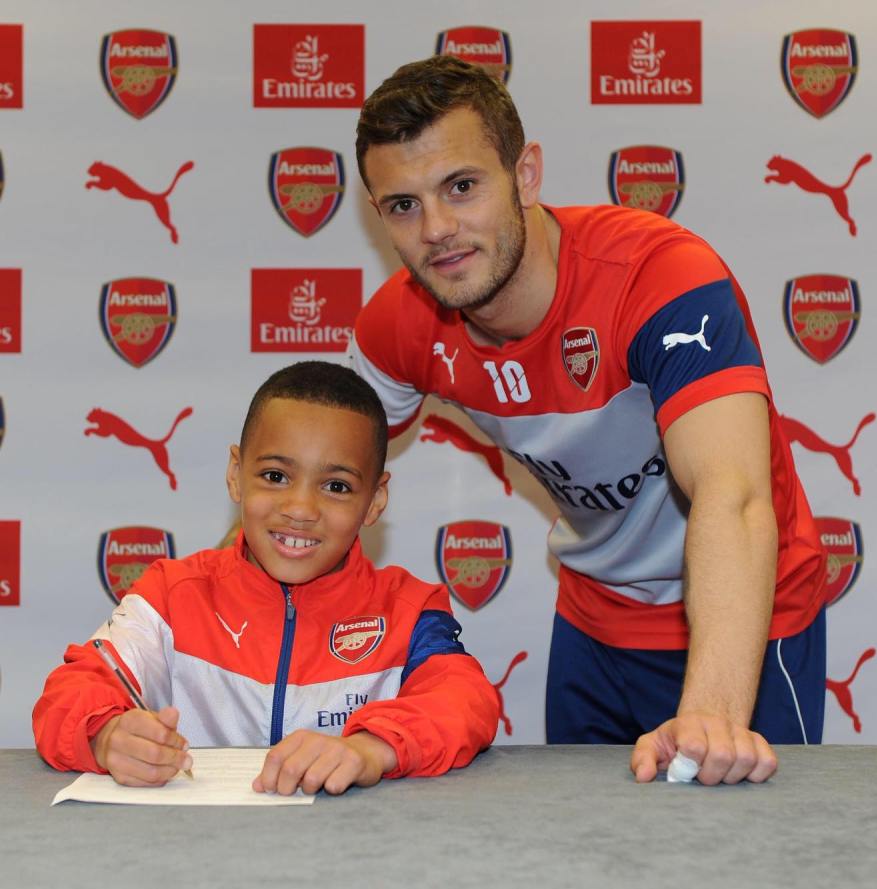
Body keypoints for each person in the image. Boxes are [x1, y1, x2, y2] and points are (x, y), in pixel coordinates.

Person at [348, 56, 827, 785]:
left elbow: (733, 495)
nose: (437, 230)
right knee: (585, 853)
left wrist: (713, 715)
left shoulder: (660, 275)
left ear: (527, 174)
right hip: (594, 621)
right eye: (403, 205)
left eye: (463, 186)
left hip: (750, 617)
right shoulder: (399, 323)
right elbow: (296, 484)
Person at [33, 361, 499, 794]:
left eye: (336, 487)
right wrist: (106, 735)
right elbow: (69, 693)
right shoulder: (170, 594)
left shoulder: (408, 608)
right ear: (236, 475)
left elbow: (465, 699)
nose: (299, 509)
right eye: (275, 476)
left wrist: (370, 749)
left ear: (375, 501)